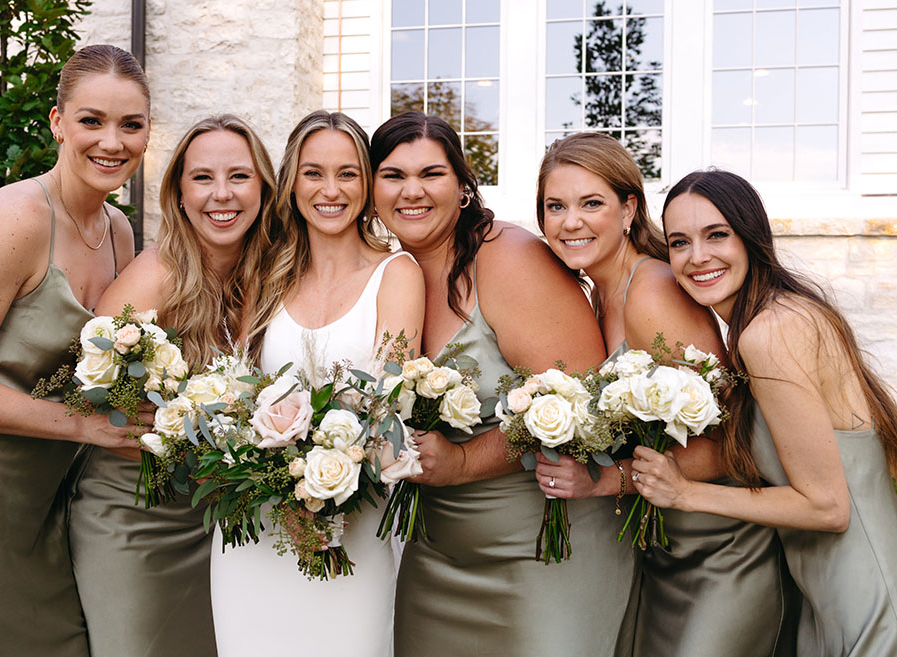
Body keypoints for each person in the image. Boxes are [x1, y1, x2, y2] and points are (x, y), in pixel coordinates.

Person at [0, 44, 148, 656]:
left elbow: (107, 373)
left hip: (49, 515)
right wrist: (86, 426)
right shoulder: (16, 217)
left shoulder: (121, 233)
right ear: (57, 123)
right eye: (91, 120)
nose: (111, 142)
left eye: (131, 124)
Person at [370, 111, 631, 657]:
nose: (411, 191)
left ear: (463, 187)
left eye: (432, 174)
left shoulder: (507, 256)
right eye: (392, 175)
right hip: (436, 552)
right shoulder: (393, 275)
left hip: (541, 548)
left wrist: (465, 462)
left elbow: (578, 399)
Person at [532, 134, 797, 657]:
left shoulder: (651, 288)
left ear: (630, 208)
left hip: (719, 551)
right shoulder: (594, 292)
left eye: (591, 204)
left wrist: (603, 480)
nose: (570, 222)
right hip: (657, 547)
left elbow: (730, 442)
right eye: (554, 206)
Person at [634, 168, 897, 656]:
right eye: (678, 243)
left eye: (717, 235)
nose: (697, 257)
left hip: (871, 604)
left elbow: (827, 507)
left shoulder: (771, 331)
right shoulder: (775, 317)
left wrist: (685, 493)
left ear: (751, 237)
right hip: (831, 601)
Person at [209, 110, 424, 657]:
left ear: (368, 184)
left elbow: (389, 402)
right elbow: (239, 390)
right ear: (290, 181)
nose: (331, 190)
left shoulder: (396, 275)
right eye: (313, 173)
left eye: (348, 173)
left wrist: (319, 491)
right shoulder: (264, 270)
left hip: (351, 524)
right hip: (257, 529)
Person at [67, 114, 276, 657]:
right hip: (137, 513)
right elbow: (88, 386)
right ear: (179, 193)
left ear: (264, 189)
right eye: (203, 178)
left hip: (226, 521)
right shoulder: (155, 275)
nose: (222, 195)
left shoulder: (274, 275)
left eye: (240, 176)